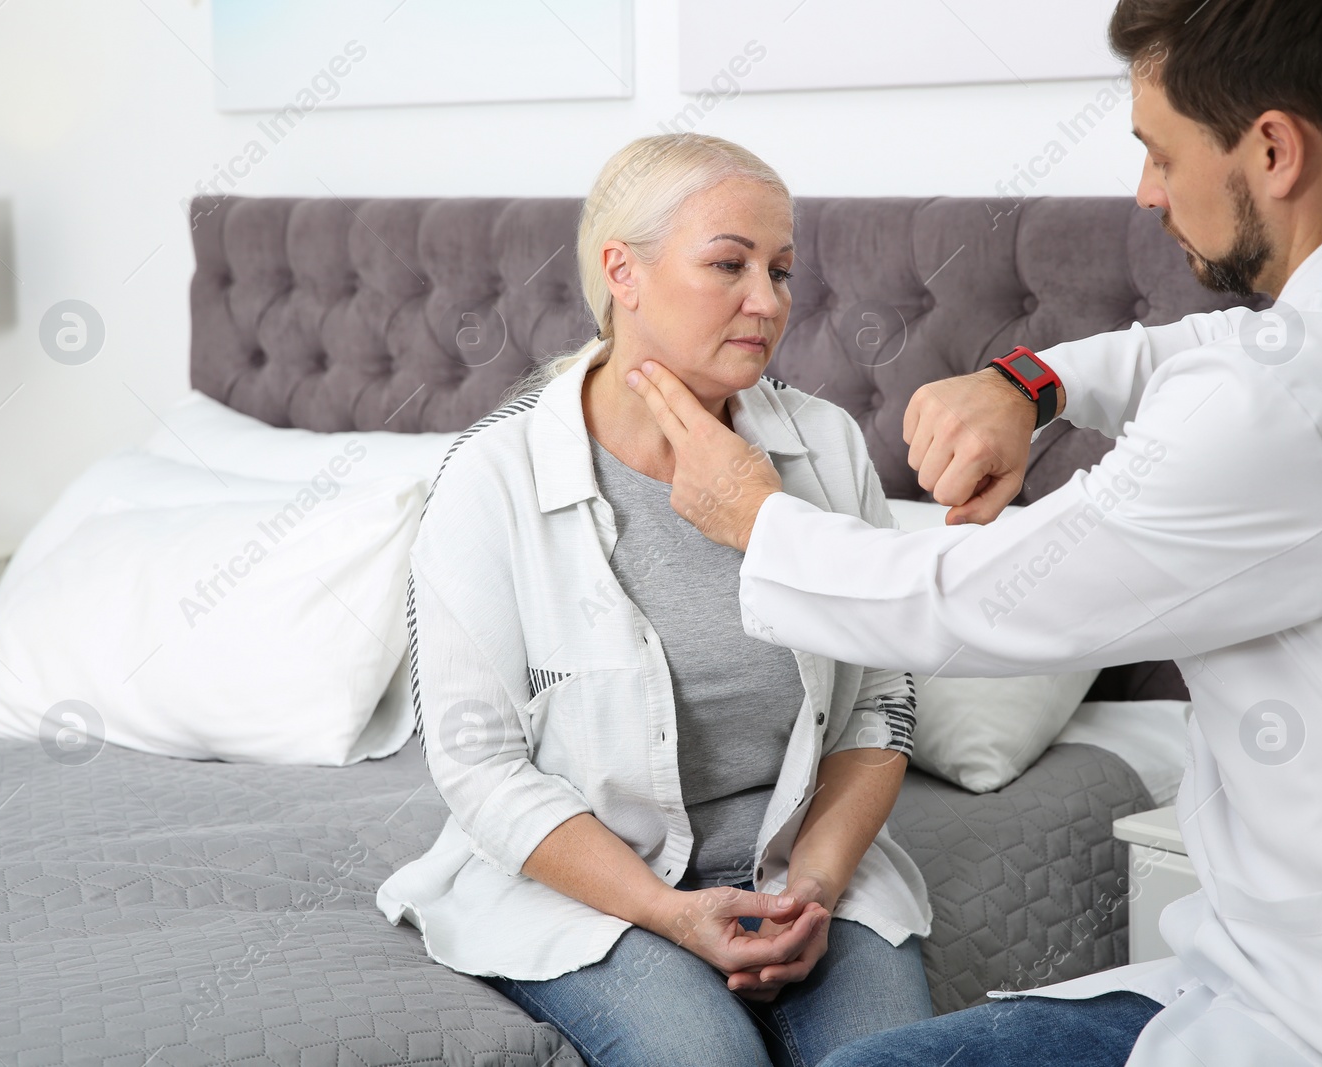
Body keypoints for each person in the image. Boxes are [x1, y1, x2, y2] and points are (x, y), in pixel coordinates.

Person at [625, 1, 1322, 1065]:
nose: (1146, 192)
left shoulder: (1291, 405)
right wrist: (1034, 379)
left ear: (1271, 148)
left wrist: (755, 516)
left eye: (1159, 153)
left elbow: (976, 599)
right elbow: (1225, 348)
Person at [374, 133, 935, 1067]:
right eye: (729, 264)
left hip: (800, 865)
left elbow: (880, 699)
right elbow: (477, 763)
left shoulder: (826, 450)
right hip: (590, 887)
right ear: (621, 272)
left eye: (783, 270)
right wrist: (669, 913)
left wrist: (818, 888)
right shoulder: (492, 476)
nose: (769, 302)